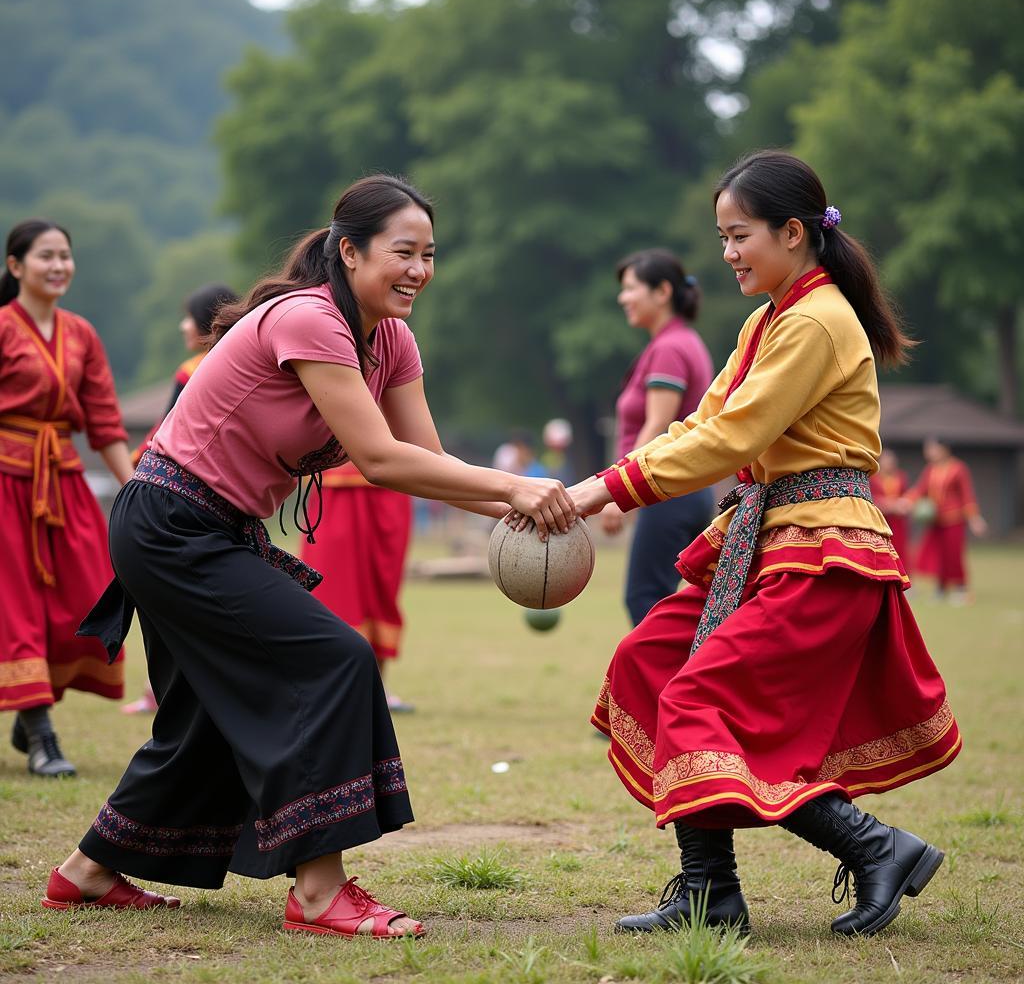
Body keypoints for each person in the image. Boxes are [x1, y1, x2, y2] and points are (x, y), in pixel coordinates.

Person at [46, 175, 574, 939]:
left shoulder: (390, 339)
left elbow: (428, 458)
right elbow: (381, 460)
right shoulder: (309, 320)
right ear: (349, 251)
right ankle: (321, 892)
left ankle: (88, 872)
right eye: (403, 252)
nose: (420, 269)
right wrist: (518, 489)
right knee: (332, 661)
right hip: (170, 523)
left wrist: (550, 512)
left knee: (201, 719)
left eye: (430, 254)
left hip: (213, 530)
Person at [564, 151, 960, 938]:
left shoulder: (819, 318)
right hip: (765, 544)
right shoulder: (768, 317)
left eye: (739, 234)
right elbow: (703, 429)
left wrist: (594, 492)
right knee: (652, 663)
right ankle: (713, 893)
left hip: (825, 553)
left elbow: (735, 436)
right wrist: (601, 484)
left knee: (699, 698)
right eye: (721, 237)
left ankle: (870, 849)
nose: (727, 253)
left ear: (792, 231)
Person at [1, 219, 134, 777]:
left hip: (64, 479)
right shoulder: (4, 327)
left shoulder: (81, 334)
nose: (58, 266)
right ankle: (42, 737)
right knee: (17, 605)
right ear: (16, 266)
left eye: (65, 256)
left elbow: (104, 420)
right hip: (6, 479)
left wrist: (134, 488)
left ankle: (30, 709)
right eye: (45, 256)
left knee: (84, 596)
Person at [122, 282, 239, 715]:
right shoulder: (251, 362)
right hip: (231, 498)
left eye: (188, 317)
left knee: (165, 602)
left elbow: (165, 430)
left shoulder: (195, 369)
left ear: (207, 322)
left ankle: (162, 692)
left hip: (176, 497)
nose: (182, 325)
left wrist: (137, 469)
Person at [600, 249, 715, 626]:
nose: (623, 298)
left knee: (645, 600)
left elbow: (657, 429)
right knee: (668, 604)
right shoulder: (680, 341)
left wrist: (618, 493)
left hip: (669, 492)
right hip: (686, 491)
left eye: (631, 288)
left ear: (662, 291)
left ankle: (673, 687)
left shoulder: (669, 348)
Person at [300, 462, 416, 714]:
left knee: (382, 591)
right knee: (331, 591)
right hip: (334, 483)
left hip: (390, 481)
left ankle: (376, 689)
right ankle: (325, 689)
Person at [905, 438, 986, 603]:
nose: (928, 453)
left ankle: (961, 588)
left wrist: (974, 518)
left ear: (944, 449)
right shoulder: (931, 469)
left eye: (932, 449)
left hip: (954, 518)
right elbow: (920, 489)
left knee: (953, 554)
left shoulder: (958, 468)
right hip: (935, 520)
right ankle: (941, 589)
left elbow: (967, 494)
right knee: (937, 555)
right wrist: (906, 501)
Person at [869, 448, 910, 564]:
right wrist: (891, 505)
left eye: (891, 461)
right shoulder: (873, 478)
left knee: (900, 551)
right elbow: (872, 499)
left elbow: (906, 497)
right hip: (881, 521)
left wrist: (904, 504)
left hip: (897, 522)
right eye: (886, 460)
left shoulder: (901, 477)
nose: (888, 464)